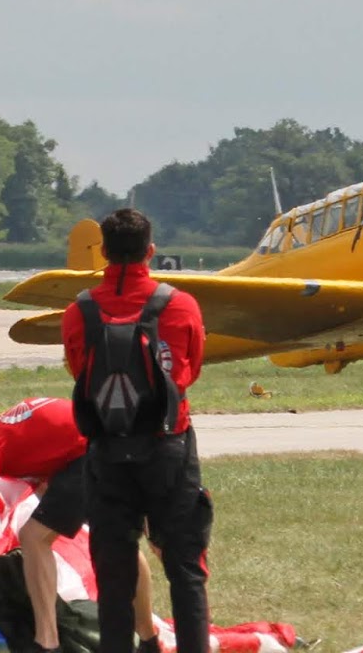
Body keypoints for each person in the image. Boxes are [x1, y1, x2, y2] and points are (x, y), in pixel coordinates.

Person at [0, 399, 161, 653]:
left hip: (92, 452)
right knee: (117, 544)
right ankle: (149, 640)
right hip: (116, 446)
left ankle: (47, 643)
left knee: (34, 538)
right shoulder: (14, 433)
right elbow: (51, 484)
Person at [63, 207, 212, 653]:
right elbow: (190, 371)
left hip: (107, 452)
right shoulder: (181, 304)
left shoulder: (79, 311)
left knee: (114, 576)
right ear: (150, 250)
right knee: (186, 570)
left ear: (103, 252)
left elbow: (79, 372)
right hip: (168, 446)